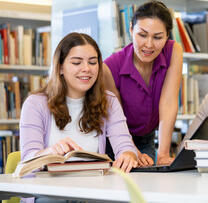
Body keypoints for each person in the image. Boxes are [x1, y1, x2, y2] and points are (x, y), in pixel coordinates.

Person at [19, 32, 138, 173]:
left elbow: (125, 146)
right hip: (47, 190)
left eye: (93, 62)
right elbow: (28, 158)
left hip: (93, 188)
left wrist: (128, 155)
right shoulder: (35, 104)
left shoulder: (109, 101)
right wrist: (48, 153)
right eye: (76, 62)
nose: (86, 68)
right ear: (60, 67)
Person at [103, 0, 183, 166]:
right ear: (131, 29)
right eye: (142, 35)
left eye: (158, 37)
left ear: (167, 35)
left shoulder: (173, 51)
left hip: (147, 138)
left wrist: (163, 154)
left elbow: (168, 103)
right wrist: (131, 151)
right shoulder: (110, 67)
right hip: (115, 140)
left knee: (150, 181)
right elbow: (116, 120)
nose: (149, 44)